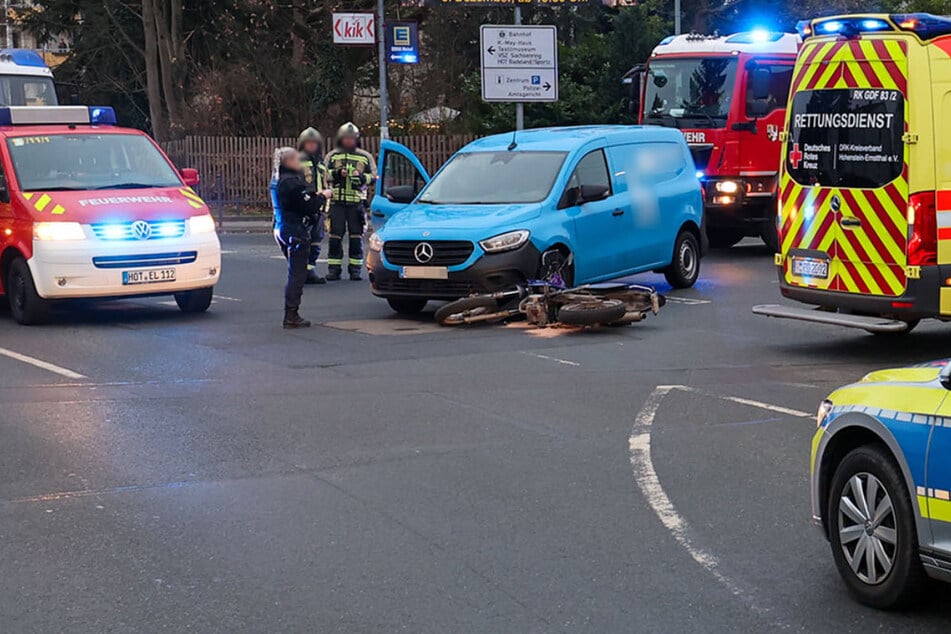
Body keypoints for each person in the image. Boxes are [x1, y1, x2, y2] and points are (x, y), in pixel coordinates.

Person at [272, 147, 331, 329]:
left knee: (295, 272)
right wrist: (323, 196)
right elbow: (308, 205)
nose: (300, 163)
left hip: (283, 227)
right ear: (289, 162)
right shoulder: (292, 183)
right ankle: (291, 315)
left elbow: (301, 200)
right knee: (297, 275)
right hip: (295, 229)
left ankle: (292, 313)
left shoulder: (278, 180)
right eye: (297, 160)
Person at [324, 122, 377, 281]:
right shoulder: (333, 156)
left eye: (352, 138)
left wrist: (362, 177)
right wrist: (338, 173)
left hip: (357, 203)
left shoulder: (365, 156)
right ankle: (334, 269)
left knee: (356, 237)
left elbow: (374, 177)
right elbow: (324, 174)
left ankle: (355, 269)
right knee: (335, 237)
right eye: (346, 139)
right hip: (337, 202)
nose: (349, 141)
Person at [297, 127, 328, 284]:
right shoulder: (298, 160)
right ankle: (300, 271)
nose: (311, 146)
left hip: (319, 205)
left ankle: (310, 269)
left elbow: (323, 181)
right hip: (306, 206)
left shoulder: (320, 161)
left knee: (316, 239)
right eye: (308, 143)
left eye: (314, 143)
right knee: (303, 240)